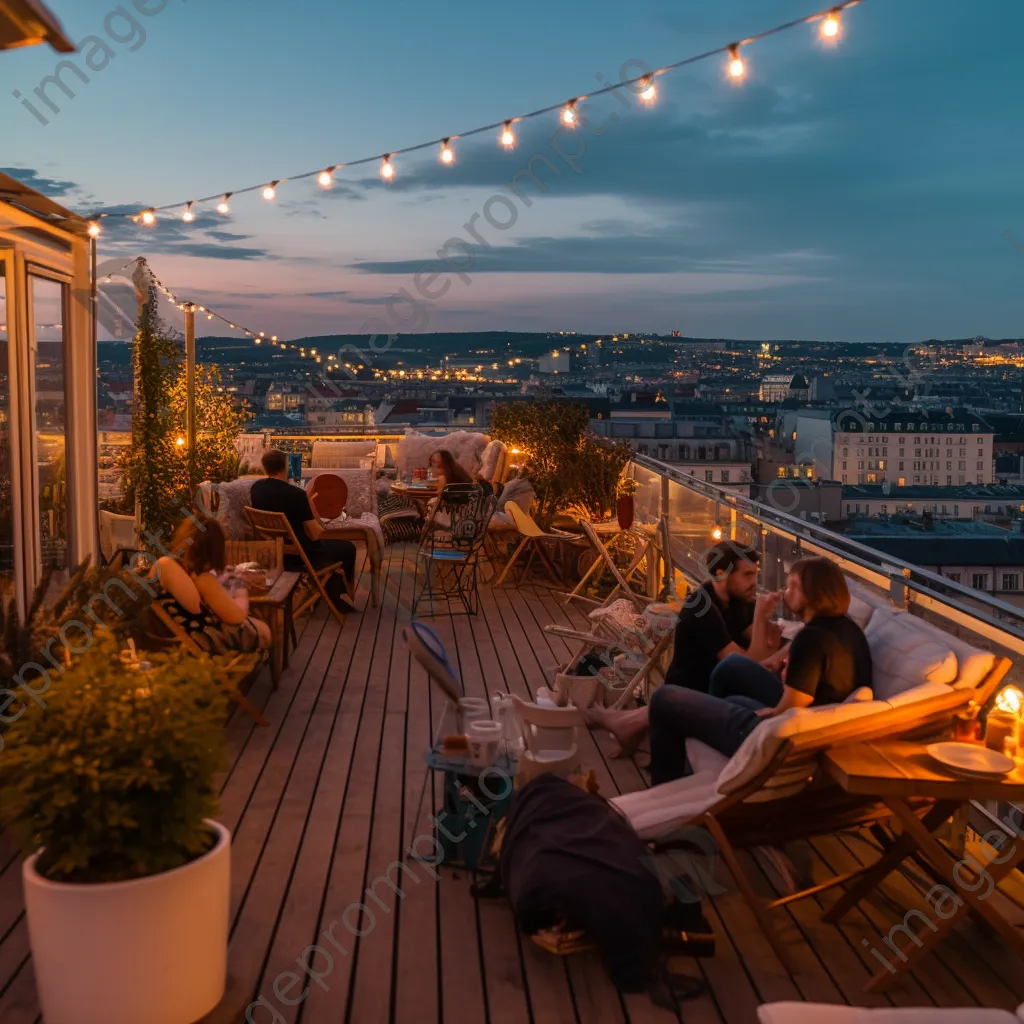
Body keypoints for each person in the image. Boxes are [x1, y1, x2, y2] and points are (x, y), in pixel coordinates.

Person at [644, 557, 872, 785]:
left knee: (664, 698)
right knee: (730, 668)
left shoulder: (811, 639)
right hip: (812, 724)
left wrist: (771, 713)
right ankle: (708, 739)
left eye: (793, 585)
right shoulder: (847, 628)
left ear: (811, 593)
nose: (785, 591)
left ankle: (668, 785)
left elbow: (794, 703)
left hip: (779, 738)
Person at [586, 540, 779, 754]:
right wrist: (763, 625)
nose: (755, 582)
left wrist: (768, 633)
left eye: (755, 574)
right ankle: (626, 723)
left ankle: (626, 723)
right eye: (748, 575)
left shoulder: (742, 598)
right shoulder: (703, 607)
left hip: (718, 685)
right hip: (692, 687)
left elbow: (756, 644)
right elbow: (744, 665)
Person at [250, 449, 358, 613]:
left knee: (335, 550)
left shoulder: (256, 489)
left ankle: (326, 594)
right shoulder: (296, 494)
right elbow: (315, 534)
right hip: (301, 556)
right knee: (347, 548)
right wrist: (309, 504)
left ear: (264, 468)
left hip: (272, 553)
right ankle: (337, 597)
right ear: (285, 467)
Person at [155, 516, 271, 651]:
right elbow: (237, 616)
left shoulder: (172, 567)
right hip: (200, 643)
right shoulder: (202, 579)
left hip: (175, 638)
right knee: (264, 630)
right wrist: (240, 588)